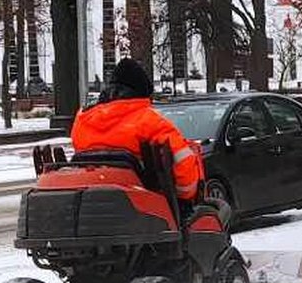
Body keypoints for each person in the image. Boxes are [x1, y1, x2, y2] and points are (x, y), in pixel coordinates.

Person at [70, 58, 205, 203]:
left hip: (90, 200)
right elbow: (184, 163)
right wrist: (183, 198)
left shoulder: (83, 119)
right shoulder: (151, 122)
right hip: (142, 204)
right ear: (142, 92)